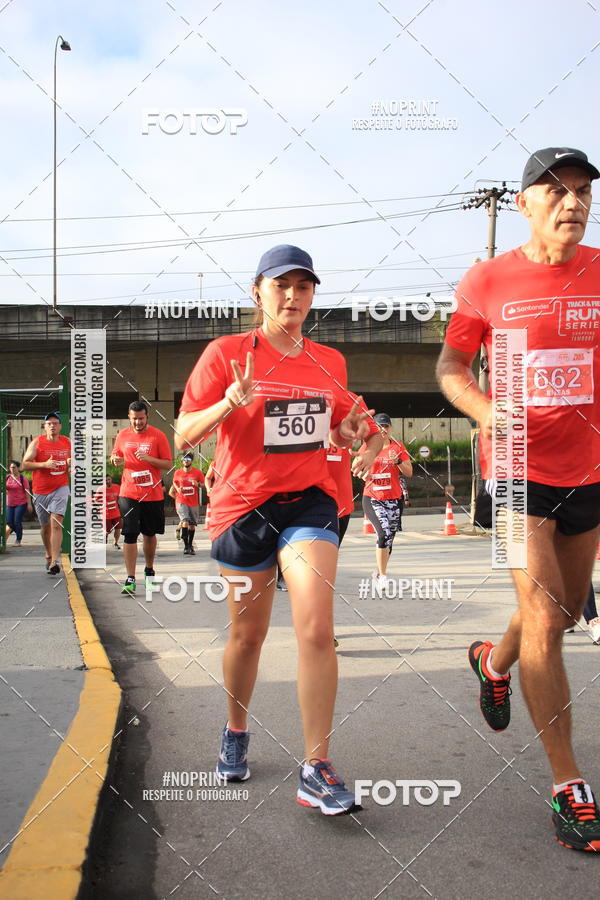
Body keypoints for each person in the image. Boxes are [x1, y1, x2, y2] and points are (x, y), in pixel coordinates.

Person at [175, 244, 381, 815]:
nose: (292, 296)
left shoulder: (329, 360)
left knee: (316, 627)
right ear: (257, 291)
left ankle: (316, 766)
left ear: (313, 295)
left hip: (310, 504)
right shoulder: (225, 353)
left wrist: (352, 434)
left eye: (303, 286)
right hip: (242, 509)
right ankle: (236, 728)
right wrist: (228, 403)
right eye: (281, 285)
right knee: (249, 635)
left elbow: (339, 428)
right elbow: (184, 434)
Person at [436, 147, 600, 851]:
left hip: (587, 471)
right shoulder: (488, 279)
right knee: (543, 613)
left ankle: (493, 663)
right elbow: (452, 363)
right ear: (524, 202)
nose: (573, 202)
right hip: (514, 469)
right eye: (557, 190)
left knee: (562, 611)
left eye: (583, 191)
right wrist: (481, 408)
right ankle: (568, 785)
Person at [110, 401, 172, 594]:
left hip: (152, 494)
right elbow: (115, 456)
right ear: (129, 418)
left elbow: (168, 464)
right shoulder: (122, 435)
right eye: (134, 419)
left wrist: (149, 459)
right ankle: (130, 578)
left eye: (141, 418)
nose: (138, 422)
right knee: (129, 534)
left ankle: (149, 570)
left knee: (149, 534)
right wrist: (115, 460)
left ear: (147, 417)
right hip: (129, 492)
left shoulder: (158, 435)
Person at [361, 413, 412, 590]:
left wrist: (398, 461)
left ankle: (378, 571)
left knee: (389, 540)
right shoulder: (367, 447)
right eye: (380, 426)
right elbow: (358, 467)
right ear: (375, 429)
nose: (383, 429)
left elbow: (409, 472)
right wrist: (363, 473)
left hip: (394, 499)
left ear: (390, 428)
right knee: (383, 534)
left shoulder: (398, 447)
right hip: (373, 498)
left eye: (386, 426)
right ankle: (383, 576)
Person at [22, 412, 71, 575]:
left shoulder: (67, 442)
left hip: (61, 487)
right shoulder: (37, 442)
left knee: (56, 523)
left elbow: (76, 460)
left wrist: (72, 463)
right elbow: (25, 464)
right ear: (45, 427)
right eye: (49, 423)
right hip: (41, 490)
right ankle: (49, 553)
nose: (52, 426)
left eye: (55, 423)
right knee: (45, 527)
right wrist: (44, 464)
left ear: (60, 426)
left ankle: (55, 561)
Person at [168, 452, 205, 555]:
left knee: (192, 525)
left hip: (193, 502)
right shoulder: (178, 472)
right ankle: (186, 547)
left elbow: (203, 484)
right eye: (184, 459)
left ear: (191, 461)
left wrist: (197, 484)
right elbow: (174, 482)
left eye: (188, 460)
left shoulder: (197, 473)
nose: (186, 461)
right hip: (181, 501)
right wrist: (177, 489)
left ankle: (190, 544)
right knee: (185, 521)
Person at [5, 460, 32, 546]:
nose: (12, 469)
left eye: (14, 467)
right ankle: (10, 535)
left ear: (18, 468)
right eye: (11, 467)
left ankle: (18, 540)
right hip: (10, 503)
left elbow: (27, 492)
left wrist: (29, 504)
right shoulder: (7, 478)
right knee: (9, 522)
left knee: (17, 521)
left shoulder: (22, 478)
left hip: (21, 503)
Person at [93, 474, 122, 549]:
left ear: (111, 480)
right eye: (106, 480)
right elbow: (95, 500)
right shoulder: (100, 489)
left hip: (116, 513)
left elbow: (120, 497)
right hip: (106, 514)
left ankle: (115, 543)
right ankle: (104, 539)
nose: (107, 481)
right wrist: (101, 504)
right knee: (108, 531)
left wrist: (121, 504)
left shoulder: (117, 487)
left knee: (118, 529)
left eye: (109, 479)